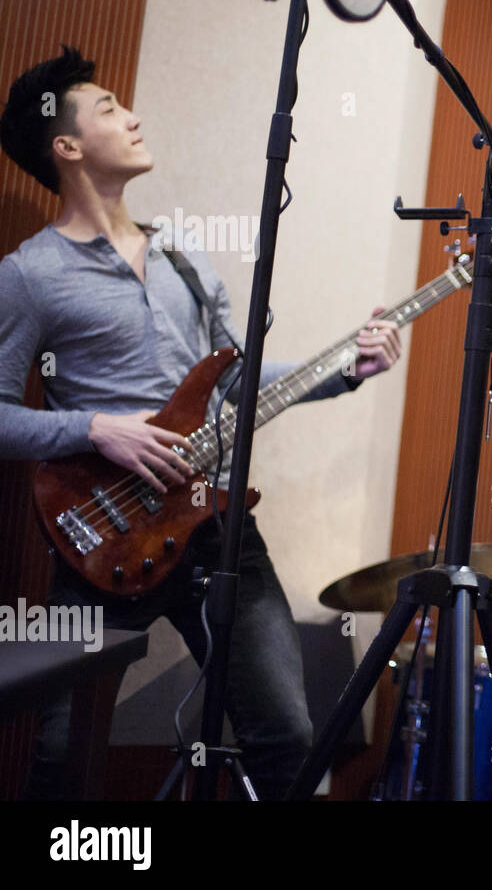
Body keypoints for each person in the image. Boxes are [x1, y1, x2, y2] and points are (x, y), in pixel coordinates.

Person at [0, 46, 403, 799]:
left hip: (214, 528)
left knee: (286, 735)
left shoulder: (186, 258)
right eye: (111, 106)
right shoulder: (30, 274)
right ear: (66, 144)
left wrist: (348, 366)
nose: (134, 116)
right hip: (97, 533)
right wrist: (95, 430)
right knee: (61, 759)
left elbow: (239, 384)